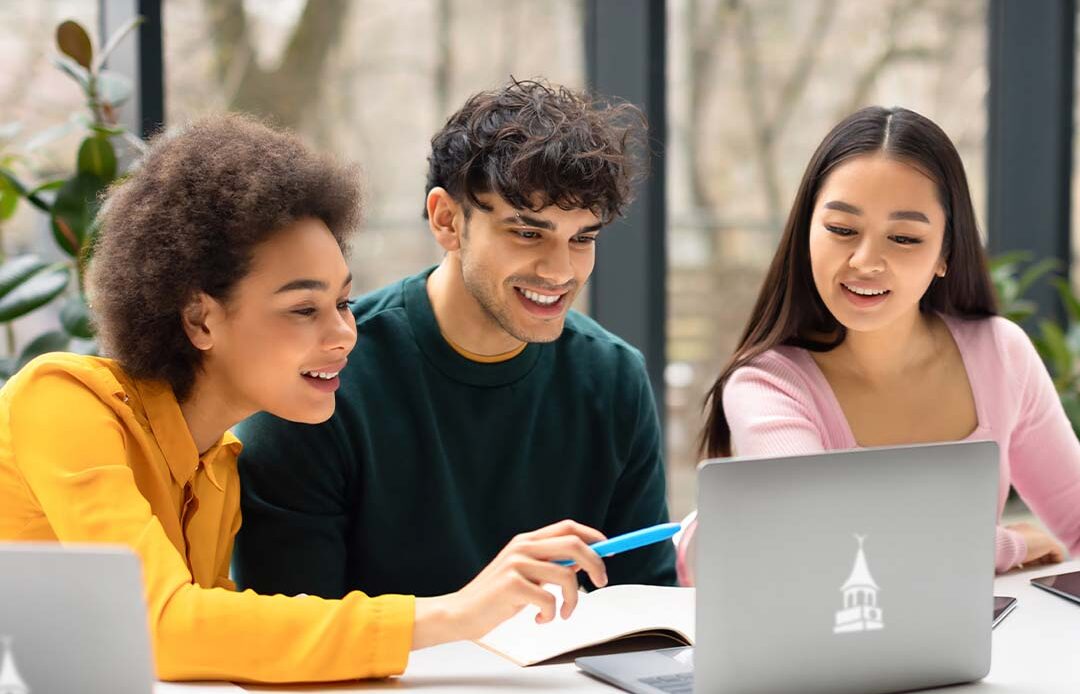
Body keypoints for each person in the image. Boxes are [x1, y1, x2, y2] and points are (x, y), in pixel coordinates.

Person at [0, 114, 610, 683]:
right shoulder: (62, 400)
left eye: (343, 302)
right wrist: (454, 613)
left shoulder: (216, 465)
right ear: (199, 320)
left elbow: (223, 634)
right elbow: (159, 624)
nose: (345, 333)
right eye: (303, 309)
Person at [234, 79, 677, 600]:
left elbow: (647, 610)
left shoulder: (614, 378)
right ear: (447, 220)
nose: (561, 272)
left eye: (583, 238)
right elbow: (293, 638)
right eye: (527, 233)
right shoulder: (321, 379)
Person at [677, 106, 1080, 585]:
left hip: (979, 650)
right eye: (842, 230)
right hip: (825, 651)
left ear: (945, 254)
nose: (866, 262)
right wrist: (1007, 544)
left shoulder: (1000, 352)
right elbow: (833, 541)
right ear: (805, 232)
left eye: (905, 238)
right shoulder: (766, 384)